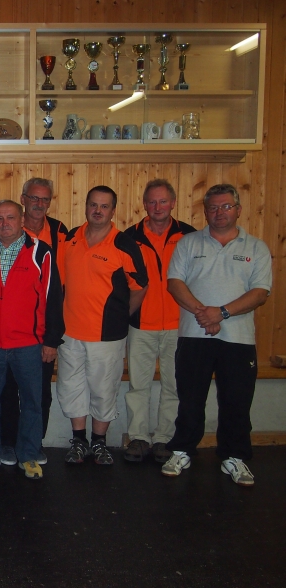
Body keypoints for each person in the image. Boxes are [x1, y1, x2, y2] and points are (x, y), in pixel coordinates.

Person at [162, 184, 271, 486]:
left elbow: (260, 293)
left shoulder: (256, 248)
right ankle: (182, 450)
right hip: (194, 335)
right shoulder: (188, 243)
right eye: (213, 207)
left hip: (238, 339)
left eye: (226, 206)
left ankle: (234, 457)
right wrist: (204, 313)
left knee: (237, 401)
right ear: (205, 211)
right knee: (190, 398)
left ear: (238, 209)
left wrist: (221, 313)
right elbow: (174, 283)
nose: (219, 212)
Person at [0, 200, 63, 479]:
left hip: (29, 344)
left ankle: (29, 455)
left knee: (32, 401)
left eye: (10, 217)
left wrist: (51, 340)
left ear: (21, 220)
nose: (4, 223)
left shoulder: (41, 252)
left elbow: (53, 297)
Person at [57, 186, 148, 465]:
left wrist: (121, 315)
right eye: (93, 205)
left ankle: (99, 443)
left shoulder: (123, 244)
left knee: (103, 390)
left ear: (113, 210)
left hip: (106, 335)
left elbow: (140, 286)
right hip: (69, 332)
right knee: (72, 388)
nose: (98, 210)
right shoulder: (71, 238)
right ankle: (79, 442)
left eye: (104, 206)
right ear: (86, 207)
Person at [123, 179, 195, 463]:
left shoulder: (189, 236)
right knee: (138, 386)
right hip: (141, 324)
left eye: (163, 201)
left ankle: (165, 438)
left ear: (173, 203)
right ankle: (138, 438)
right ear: (144, 204)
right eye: (152, 201)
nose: (157, 207)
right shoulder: (129, 237)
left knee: (173, 385)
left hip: (180, 324)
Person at [0, 178, 68, 467]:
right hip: (11, 332)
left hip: (42, 331)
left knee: (39, 393)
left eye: (45, 199)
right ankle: (8, 443)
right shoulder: (8, 231)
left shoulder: (61, 233)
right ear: (23, 199)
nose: (39, 204)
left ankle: (33, 443)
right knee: (7, 391)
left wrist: (52, 337)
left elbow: (55, 292)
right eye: (34, 198)